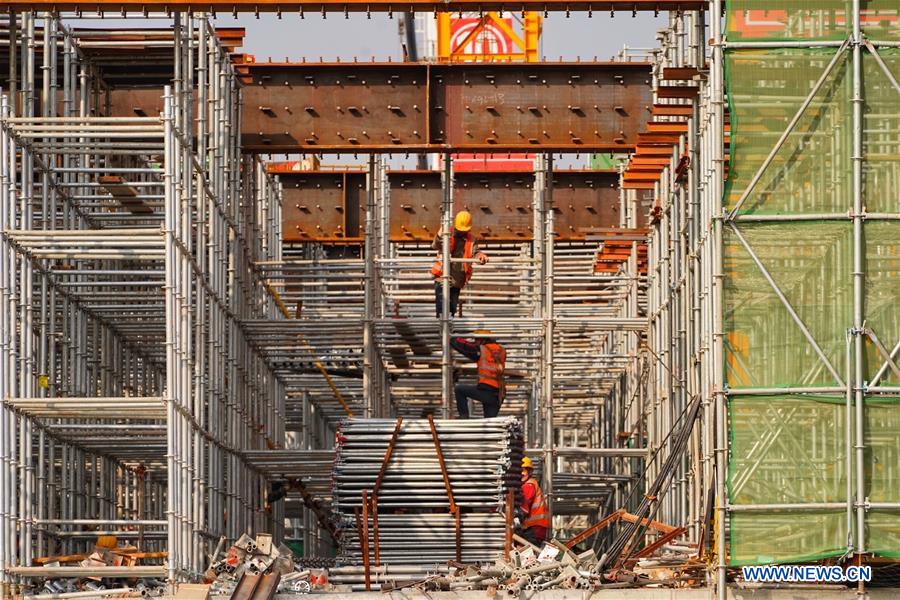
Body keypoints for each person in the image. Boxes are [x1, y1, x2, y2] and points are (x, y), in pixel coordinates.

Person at [431, 210, 488, 318]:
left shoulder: (471, 239)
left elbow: (475, 252)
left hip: (457, 280)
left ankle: (449, 333)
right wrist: (440, 232)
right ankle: (442, 333)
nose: (462, 232)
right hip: (442, 278)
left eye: (464, 230)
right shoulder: (447, 234)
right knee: (442, 310)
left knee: (451, 310)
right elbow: (435, 245)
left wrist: (481, 256)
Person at [450, 331, 505, 418]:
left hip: (486, 391)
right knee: (489, 423)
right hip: (498, 395)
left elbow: (463, 345)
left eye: (476, 340)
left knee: (459, 390)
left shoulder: (481, 350)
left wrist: (451, 337)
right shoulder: (501, 350)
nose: (475, 342)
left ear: (482, 340)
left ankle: (464, 418)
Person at [518, 456, 549, 546]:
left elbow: (523, 509)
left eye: (523, 470)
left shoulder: (529, 486)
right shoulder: (529, 484)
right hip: (535, 528)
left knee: (527, 555)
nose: (521, 474)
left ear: (530, 472)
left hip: (534, 528)